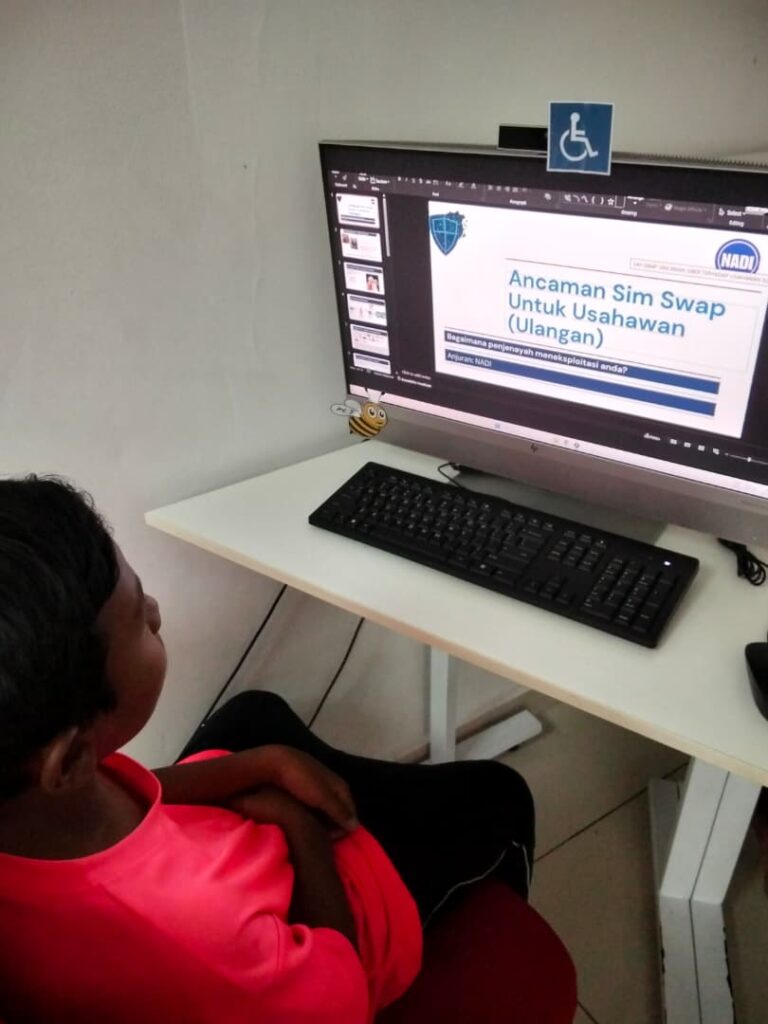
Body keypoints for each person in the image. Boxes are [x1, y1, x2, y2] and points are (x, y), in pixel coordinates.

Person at [0, 476, 535, 1023]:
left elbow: (128, 790)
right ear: (70, 760)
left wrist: (267, 764)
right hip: (348, 906)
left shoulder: (32, 802)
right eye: (139, 619)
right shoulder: (200, 937)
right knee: (498, 793)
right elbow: (343, 997)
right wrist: (297, 825)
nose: (156, 613)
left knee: (255, 713)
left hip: (225, 843)